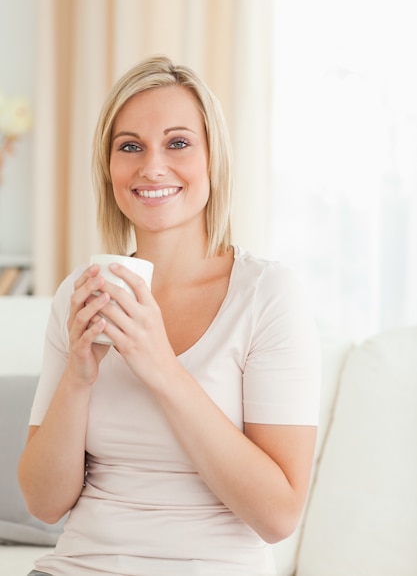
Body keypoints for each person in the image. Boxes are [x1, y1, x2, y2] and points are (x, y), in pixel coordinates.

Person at [18, 55, 321, 576]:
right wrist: (78, 378)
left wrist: (160, 366)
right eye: (129, 146)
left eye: (178, 143)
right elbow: (44, 504)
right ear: (109, 168)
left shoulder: (267, 295)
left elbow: (279, 514)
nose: (151, 166)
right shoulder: (81, 293)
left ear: (212, 159)